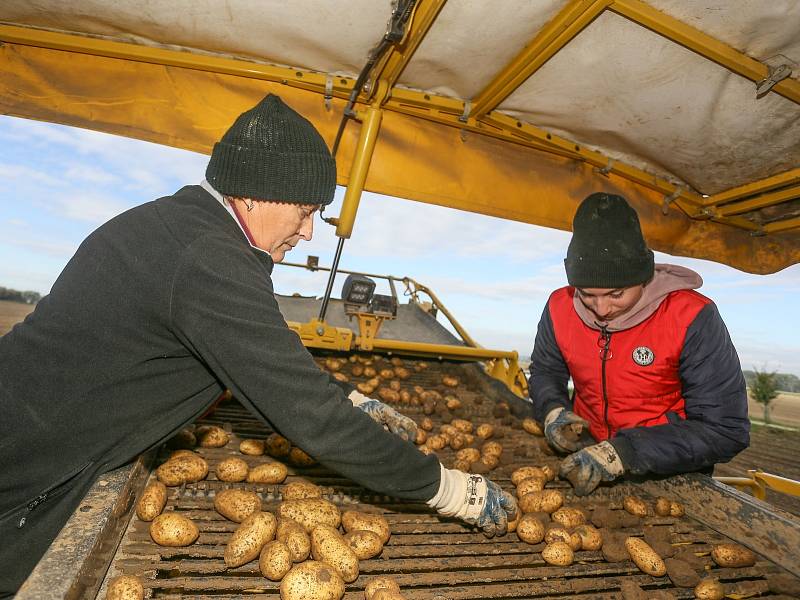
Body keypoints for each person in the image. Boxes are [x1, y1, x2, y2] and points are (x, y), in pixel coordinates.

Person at [0, 94, 516, 596]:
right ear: (253, 194)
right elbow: (308, 415)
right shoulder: (210, 258)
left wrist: (352, 398)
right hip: (23, 465)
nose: (309, 232)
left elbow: (259, 353)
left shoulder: (181, 227)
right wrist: (447, 490)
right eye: (306, 211)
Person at [529, 192, 749, 496]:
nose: (601, 309)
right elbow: (545, 371)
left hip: (668, 470)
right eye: (587, 294)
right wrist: (552, 409)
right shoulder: (559, 307)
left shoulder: (691, 316)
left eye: (616, 294)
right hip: (586, 455)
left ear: (642, 277)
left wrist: (625, 452)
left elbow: (724, 429)